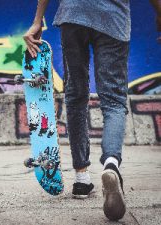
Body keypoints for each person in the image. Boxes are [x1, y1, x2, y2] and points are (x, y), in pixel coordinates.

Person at [24, 0, 131, 221]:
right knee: (113, 101)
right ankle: (111, 164)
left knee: (76, 96)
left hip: (73, 14)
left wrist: (37, 20)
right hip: (114, 18)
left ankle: (82, 178)